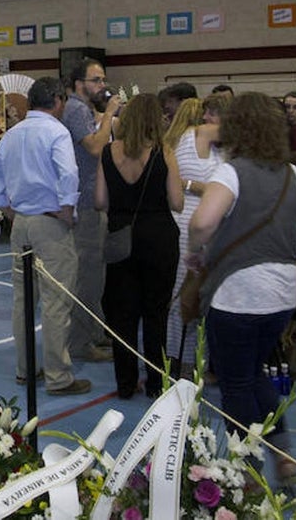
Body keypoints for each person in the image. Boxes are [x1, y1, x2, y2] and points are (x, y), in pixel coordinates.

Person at [186, 91, 296, 487]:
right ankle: (283, 455)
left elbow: (203, 222)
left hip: (238, 292)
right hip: (283, 292)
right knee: (254, 374)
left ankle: (248, 467)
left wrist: (197, 248)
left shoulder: (231, 171)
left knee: (235, 383)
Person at [0, 77, 90, 396]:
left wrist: (6, 209)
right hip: (50, 223)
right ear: (58, 100)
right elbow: (69, 173)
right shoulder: (57, 132)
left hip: (22, 224)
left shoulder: (13, 134)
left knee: (23, 300)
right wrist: (67, 208)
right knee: (56, 302)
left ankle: (25, 369)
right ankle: (59, 376)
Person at [95, 93, 183, 399]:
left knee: (123, 314)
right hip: (158, 235)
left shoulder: (109, 152)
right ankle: (157, 383)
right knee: (156, 313)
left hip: (121, 235)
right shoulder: (164, 152)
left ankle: (125, 383)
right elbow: (178, 202)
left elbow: (100, 201)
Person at [61, 58, 120, 363]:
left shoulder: (84, 111)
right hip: (84, 204)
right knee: (87, 276)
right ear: (78, 83)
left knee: (97, 274)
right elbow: (96, 147)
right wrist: (109, 115)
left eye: (103, 80)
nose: (102, 86)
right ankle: (80, 344)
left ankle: (95, 333)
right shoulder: (76, 109)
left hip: (92, 201)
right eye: (96, 80)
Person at [164, 94, 224, 376]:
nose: (208, 119)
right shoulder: (198, 135)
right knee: (186, 295)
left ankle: (181, 358)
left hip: (192, 223)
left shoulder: (183, 142)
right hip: (192, 226)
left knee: (186, 296)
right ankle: (185, 363)